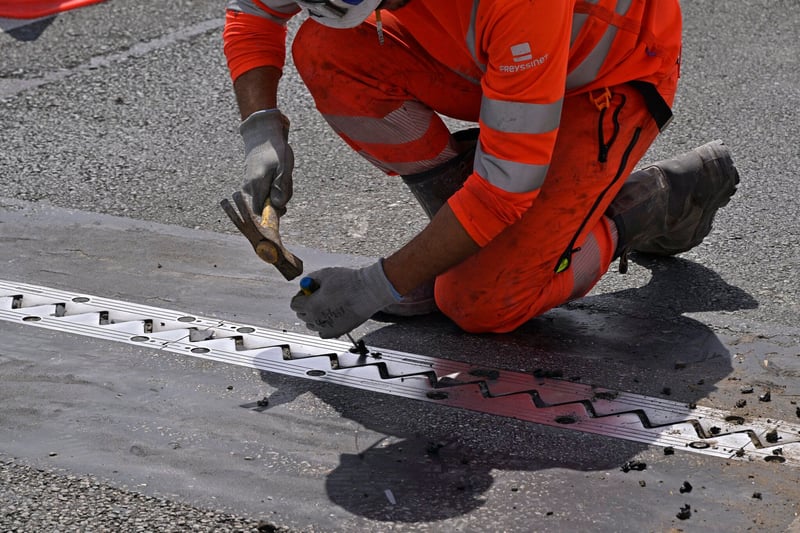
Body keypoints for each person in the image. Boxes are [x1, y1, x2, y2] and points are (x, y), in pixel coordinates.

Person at [223, 0, 739, 339]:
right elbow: (254, 12)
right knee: (328, 50)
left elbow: (502, 192)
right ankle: (483, 241)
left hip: (604, 79)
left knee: (483, 302)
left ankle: (644, 206)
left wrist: (377, 285)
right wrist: (261, 129)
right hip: (493, 53)